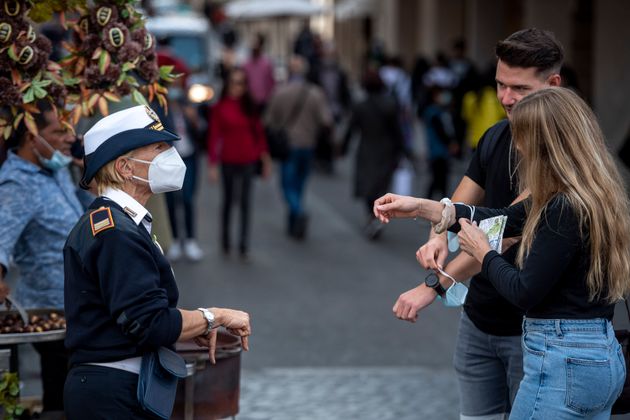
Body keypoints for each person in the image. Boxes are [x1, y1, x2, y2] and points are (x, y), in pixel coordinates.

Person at [375, 86, 629, 419]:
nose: (517, 146)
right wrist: (423, 208)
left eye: (522, 136)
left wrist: (485, 254)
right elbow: (499, 219)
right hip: (597, 352)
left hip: (562, 359)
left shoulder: (562, 207)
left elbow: (524, 291)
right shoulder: (586, 194)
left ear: (545, 144)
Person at [392, 28, 564, 419]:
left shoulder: (559, 153)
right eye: (500, 84)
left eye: (518, 88)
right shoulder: (497, 135)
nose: (505, 98)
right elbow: (459, 202)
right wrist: (437, 236)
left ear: (554, 84)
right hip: (480, 321)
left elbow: (503, 231)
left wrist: (433, 286)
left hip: (535, 331)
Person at [63, 105, 252, 418]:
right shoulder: (115, 231)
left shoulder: (117, 223)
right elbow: (149, 322)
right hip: (113, 394)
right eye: (159, 148)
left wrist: (190, 325)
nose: (171, 156)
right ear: (125, 167)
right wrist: (212, 317)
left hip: (116, 388)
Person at [0, 101, 84, 414]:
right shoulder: (17, 184)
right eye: (58, 131)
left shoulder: (54, 168)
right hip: (50, 309)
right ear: (32, 138)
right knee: (60, 398)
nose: (68, 138)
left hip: (76, 306)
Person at [265, 56, 333, 239]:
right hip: (308, 145)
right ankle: (295, 217)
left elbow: (269, 121)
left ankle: (297, 211)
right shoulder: (316, 93)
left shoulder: (280, 92)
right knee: (300, 184)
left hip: (289, 146)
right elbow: (326, 121)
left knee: (288, 185)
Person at [208, 67, 272, 259]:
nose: (238, 87)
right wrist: (212, 164)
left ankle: (244, 244)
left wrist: (265, 158)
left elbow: (259, 134)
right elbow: (214, 136)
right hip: (228, 160)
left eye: (242, 83)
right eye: (234, 82)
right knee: (228, 202)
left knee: (245, 203)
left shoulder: (250, 107)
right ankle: (226, 242)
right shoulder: (220, 107)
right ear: (228, 84)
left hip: (248, 160)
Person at [342, 69, 405, 239]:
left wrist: (342, 147)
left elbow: (351, 129)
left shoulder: (360, 106)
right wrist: (403, 150)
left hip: (367, 150)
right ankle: (376, 217)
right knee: (381, 186)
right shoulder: (390, 105)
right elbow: (398, 132)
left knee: (368, 187)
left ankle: (372, 216)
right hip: (386, 151)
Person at [422, 84, 457, 199]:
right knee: (439, 178)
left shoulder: (436, 111)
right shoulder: (434, 113)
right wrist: (450, 143)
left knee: (439, 178)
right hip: (438, 150)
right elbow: (441, 131)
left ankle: (437, 200)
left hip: (437, 150)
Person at [243, 33, 276, 112]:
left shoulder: (267, 63)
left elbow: (271, 84)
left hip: (264, 102)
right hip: (249, 102)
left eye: (256, 42)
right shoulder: (246, 64)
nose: (253, 45)